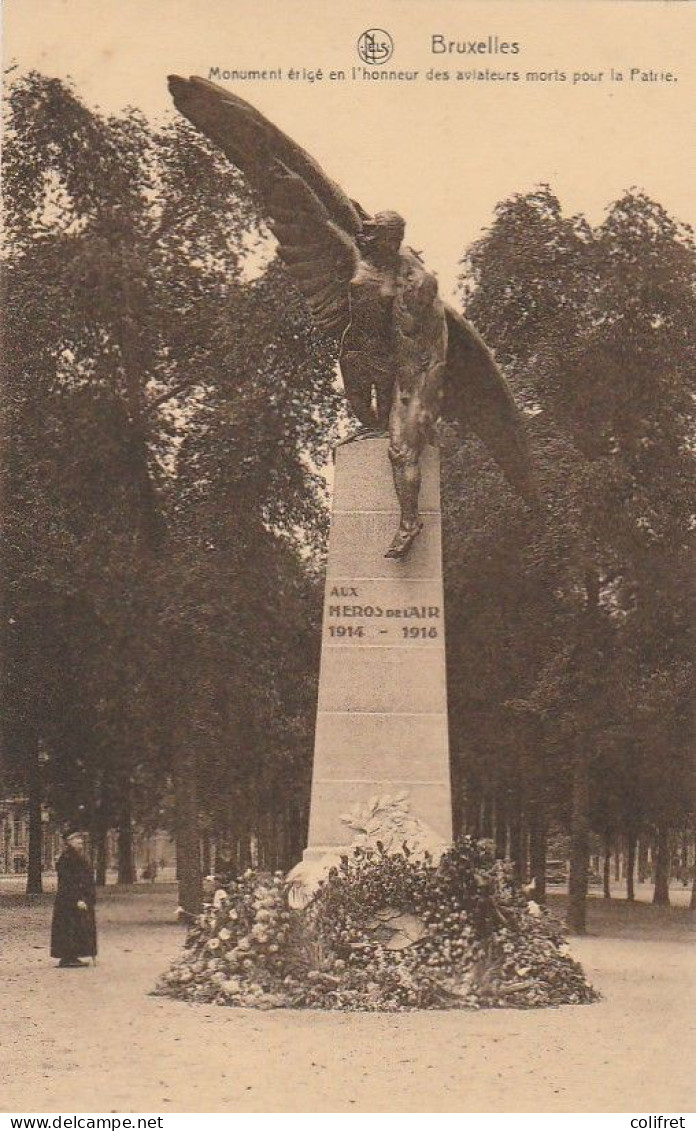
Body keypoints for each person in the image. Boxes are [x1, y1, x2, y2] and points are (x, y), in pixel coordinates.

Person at [50, 831, 97, 968]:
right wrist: (78, 898)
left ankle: (74, 955)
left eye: (81, 839)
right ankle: (68, 957)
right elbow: (68, 881)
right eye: (77, 840)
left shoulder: (77, 856)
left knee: (78, 926)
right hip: (69, 899)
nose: (80, 842)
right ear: (69, 842)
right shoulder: (68, 858)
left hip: (78, 897)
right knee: (69, 926)